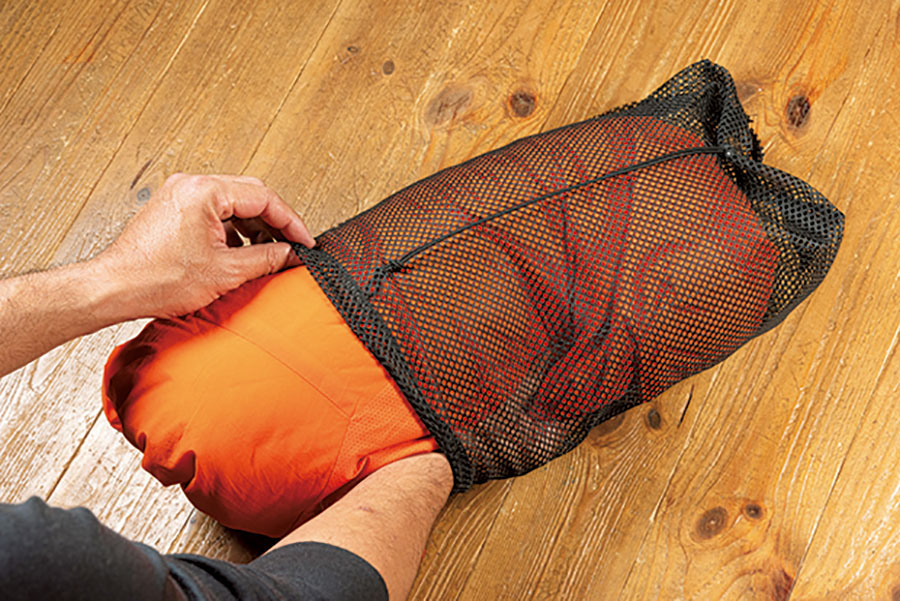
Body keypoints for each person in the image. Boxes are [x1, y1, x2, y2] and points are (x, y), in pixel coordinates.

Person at [0, 173, 453, 601]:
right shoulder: (40, 558)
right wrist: (425, 470)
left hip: (231, 401)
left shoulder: (35, 554)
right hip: (283, 402)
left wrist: (119, 278)